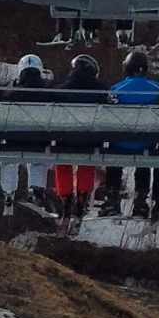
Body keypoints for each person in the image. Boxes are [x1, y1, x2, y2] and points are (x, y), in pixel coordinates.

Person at [50, 53, 105, 224]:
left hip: (65, 139)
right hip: (89, 140)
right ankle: (82, 198)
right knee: (86, 161)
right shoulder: (101, 90)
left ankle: (65, 199)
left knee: (62, 162)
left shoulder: (62, 89)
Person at [108, 49, 159, 217]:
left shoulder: (116, 89)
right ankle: (141, 200)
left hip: (120, 143)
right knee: (144, 158)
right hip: (145, 143)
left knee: (113, 156)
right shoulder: (157, 89)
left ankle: (112, 198)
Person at [0, 55, 52, 208]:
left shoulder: (12, 90)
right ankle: (36, 188)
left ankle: (8, 191)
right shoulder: (47, 89)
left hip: (13, 139)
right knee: (38, 160)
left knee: (9, 160)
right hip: (39, 139)